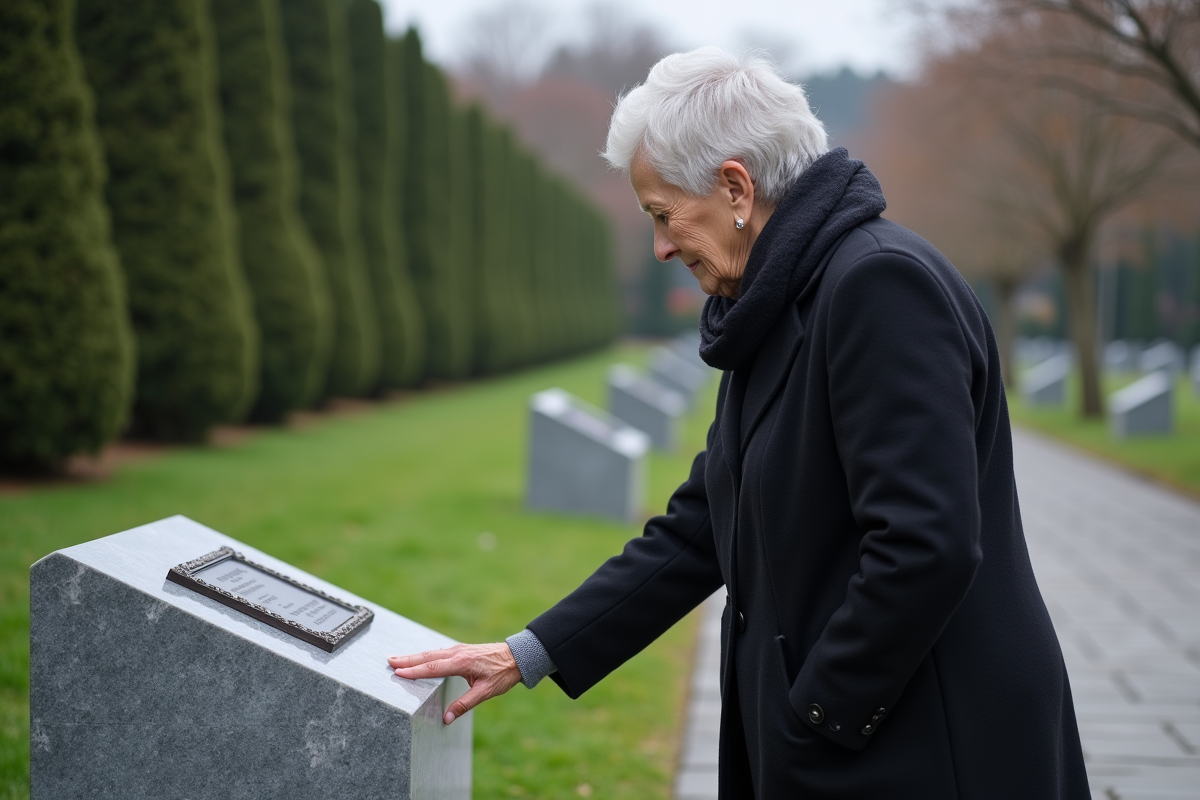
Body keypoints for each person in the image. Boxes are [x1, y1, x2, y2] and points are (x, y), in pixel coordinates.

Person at [388, 47, 1090, 799]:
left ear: (735, 187)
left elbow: (928, 544)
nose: (659, 246)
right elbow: (702, 526)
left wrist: (815, 711)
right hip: (850, 742)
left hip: (925, 746)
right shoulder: (777, 299)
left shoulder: (877, 285)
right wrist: (528, 652)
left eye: (663, 215)